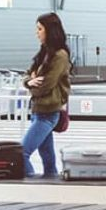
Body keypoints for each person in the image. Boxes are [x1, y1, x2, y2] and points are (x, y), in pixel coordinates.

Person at [22, 12, 72, 177]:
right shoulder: (44, 52)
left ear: (50, 31)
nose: (37, 32)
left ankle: (31, 188)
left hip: (49, 112)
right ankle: (52, 186)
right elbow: (28, 75)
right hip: (38, 111)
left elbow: (47, 84)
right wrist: (29, 81)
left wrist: (32, 85)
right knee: (48, 159)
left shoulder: (60, 56)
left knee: (22, 154)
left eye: (40, 29)